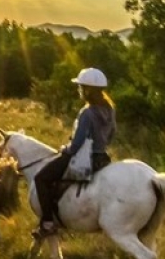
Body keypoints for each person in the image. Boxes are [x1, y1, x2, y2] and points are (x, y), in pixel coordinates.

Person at [32, 67, 116, 239]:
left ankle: (47, 223)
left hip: (85, 159)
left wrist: (66, 150)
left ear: (87, 90)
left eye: (81, 87)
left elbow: (77, 143)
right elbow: (112, 134)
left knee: (41, 178)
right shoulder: (110, 110)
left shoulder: (87, 112)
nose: (79, 90)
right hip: (102, 158)